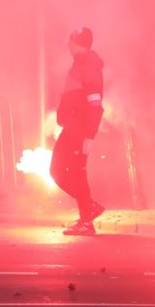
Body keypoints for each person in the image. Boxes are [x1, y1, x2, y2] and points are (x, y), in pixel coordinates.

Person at [51, 26, 106, 236]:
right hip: (73, 128)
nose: (67, 44)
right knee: (61, 172)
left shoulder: (88, 67)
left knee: (70, 173)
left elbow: (95, 104)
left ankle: (87, 218)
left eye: (70, 41)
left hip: (79, 130)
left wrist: (89, 135)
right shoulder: (81, 65)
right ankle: (88, 210)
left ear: (78, 43)